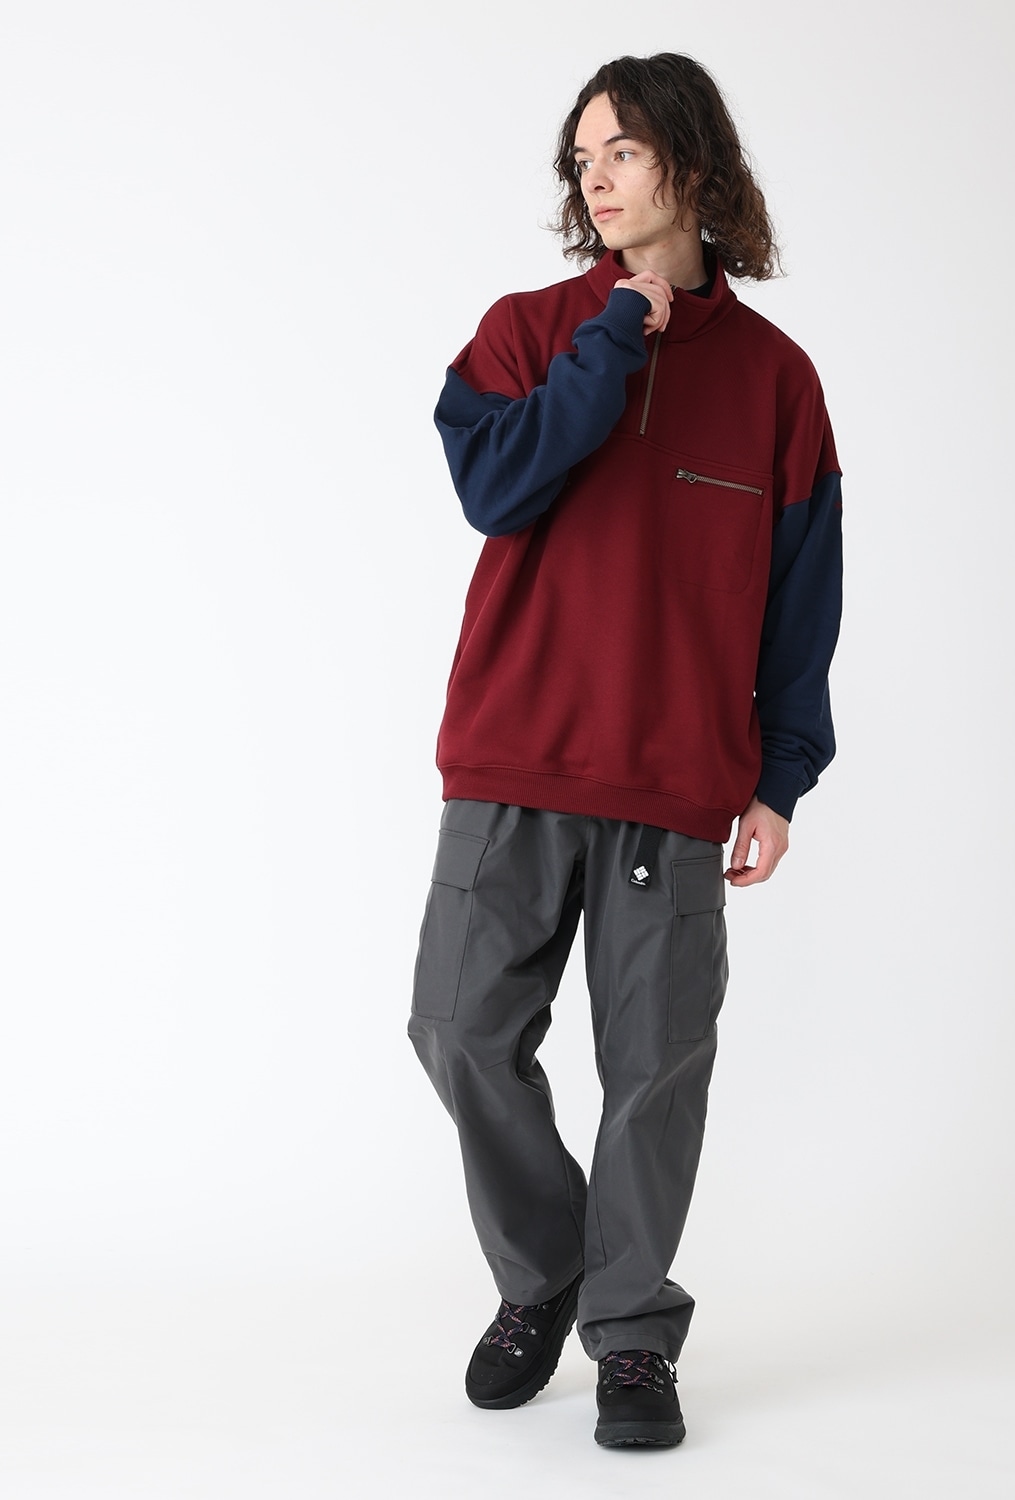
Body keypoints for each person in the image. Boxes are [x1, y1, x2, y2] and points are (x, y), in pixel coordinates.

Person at [408, 51, 843, 1449]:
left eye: (623, 153)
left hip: (675, 779)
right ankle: (547, 1278)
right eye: (581, 158)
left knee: (656, 1068)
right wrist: (615, 336)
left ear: (692, 166)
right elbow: (495, 485)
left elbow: (802, 597)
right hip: (513, 757)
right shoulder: (528, 333)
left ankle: (633, 1336)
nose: (594, 180)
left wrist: (781, 774)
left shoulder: (777, 383)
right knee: (456, 1030)